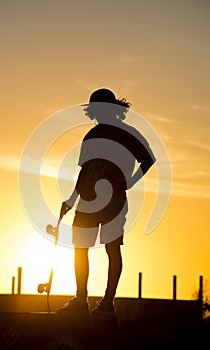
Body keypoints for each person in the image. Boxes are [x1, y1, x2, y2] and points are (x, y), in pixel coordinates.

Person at [57, 88, 156, 314]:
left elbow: (148, 159)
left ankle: (107, 302)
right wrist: (72, 199)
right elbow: (86, 171)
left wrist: (131, 180)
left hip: (114, 200)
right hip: (88, 201)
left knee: (112, 249)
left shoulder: (128, 134)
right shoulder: (92, 135)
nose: (98, 114)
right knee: (81, 248)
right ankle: (81, 300)